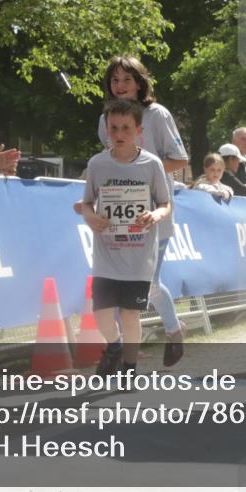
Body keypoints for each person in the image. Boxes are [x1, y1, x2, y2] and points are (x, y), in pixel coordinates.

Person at [96, 55, 189, 366]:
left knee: (146, 285)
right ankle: (118, 350)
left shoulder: (157, 115)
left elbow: (180, 160)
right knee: (127, 289)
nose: (121, 86)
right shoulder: (105, 118)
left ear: (139, 82)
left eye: (127, 79)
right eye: (115, 80)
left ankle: (173, 332)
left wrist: (145, 170)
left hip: (155, 216)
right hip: (119, 220)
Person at [80, 100, 171, 376]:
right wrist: (90, 216)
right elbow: (86, 203)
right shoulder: (97, 163)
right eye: (113, 128)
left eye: (126, 129)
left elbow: (165, 204)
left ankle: (130, 369)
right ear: (106, 129)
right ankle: (115, 346)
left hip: (139, 255)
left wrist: (154, 216)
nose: (119, 134)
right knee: (102, 314)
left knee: (130, 314)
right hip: (107, 254)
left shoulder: (152, 164)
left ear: (138, 131)